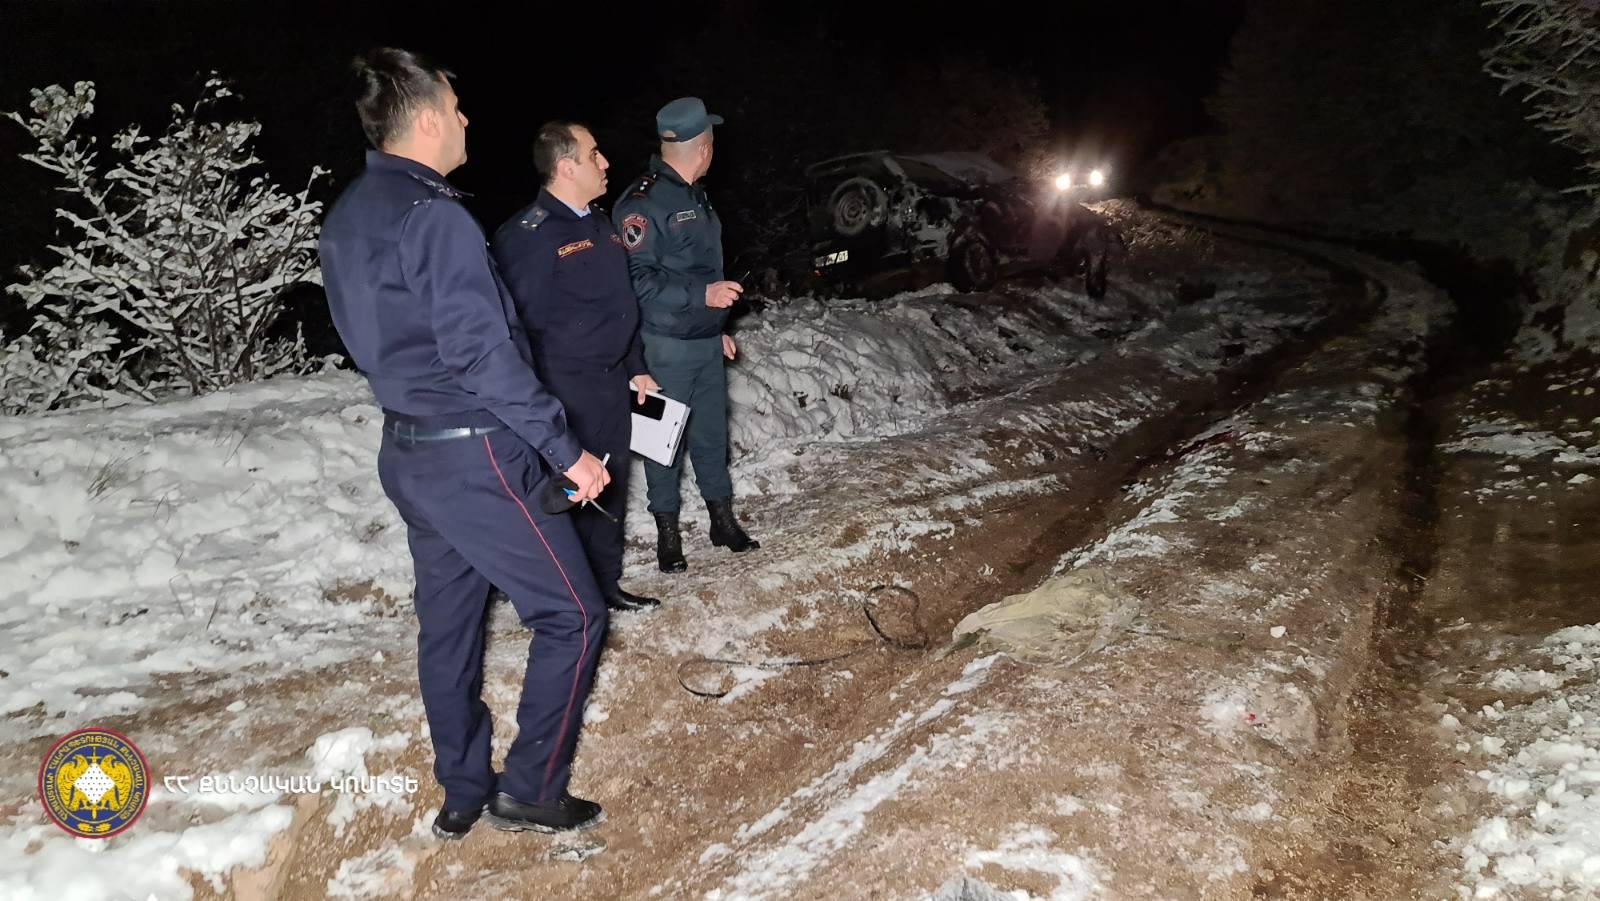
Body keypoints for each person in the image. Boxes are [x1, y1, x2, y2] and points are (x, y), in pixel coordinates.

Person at [317, 48, 608, 840]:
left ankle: (463, 787)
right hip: (474, 455)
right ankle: (531, 788)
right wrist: (564, 449)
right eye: (456, 106)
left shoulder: (349, 215)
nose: (467, 119)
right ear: (427, 119)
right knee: (574, 614)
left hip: (409, 451)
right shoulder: (433, 215)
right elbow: (482, 357)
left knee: (447, 629)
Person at [491, 121, 661, 613]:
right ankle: (557, 597)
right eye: (594, 155)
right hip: (563, 390)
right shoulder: (528, 236)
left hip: (611, 382)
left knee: (609, 486)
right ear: (566, 167)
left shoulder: (599, 222)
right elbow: (514, 328)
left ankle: (604, 584)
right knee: (563, 494)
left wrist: (636, 365)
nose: (605, 163)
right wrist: (538, 398)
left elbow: (619, 305)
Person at [611, 96, 759, 573]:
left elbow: (700, 269)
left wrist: (715, 326)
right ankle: (668, 534)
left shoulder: (696, 195)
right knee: (664, 443)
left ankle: (722, 520)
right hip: (663, 345)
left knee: (712, 436)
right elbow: (636, 279)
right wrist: (703, 296)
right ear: (705, 147)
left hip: (702, 342)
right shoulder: (643, 203)